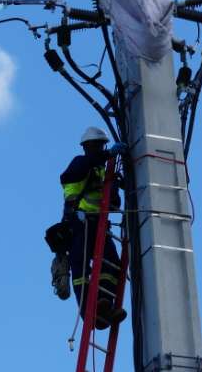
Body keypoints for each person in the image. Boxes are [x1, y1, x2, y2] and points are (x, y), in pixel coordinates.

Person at [60, 126, 128, 330]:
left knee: (111, 264)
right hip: (78, 223)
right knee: (80, 268)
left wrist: (116, 183)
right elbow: (73, 176)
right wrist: (108, 155)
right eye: (98, 145)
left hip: (98, 224)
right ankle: (88, 311)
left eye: (103, 145)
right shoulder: (81, 162)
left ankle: (105, 304)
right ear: (87, 146)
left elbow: (114, 202)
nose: (101, 148)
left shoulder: (102, 170)